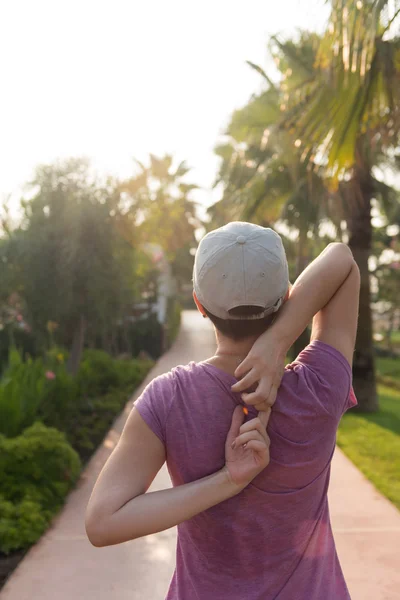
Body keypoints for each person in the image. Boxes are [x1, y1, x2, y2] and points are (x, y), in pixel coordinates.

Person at [85, 221, 360, 600]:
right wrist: (279, 340)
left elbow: (103, 522)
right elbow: (341, 260)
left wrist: (228, 481)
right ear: (287, 296)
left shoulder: (169, 398)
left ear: (198, 304)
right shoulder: (320, 385)